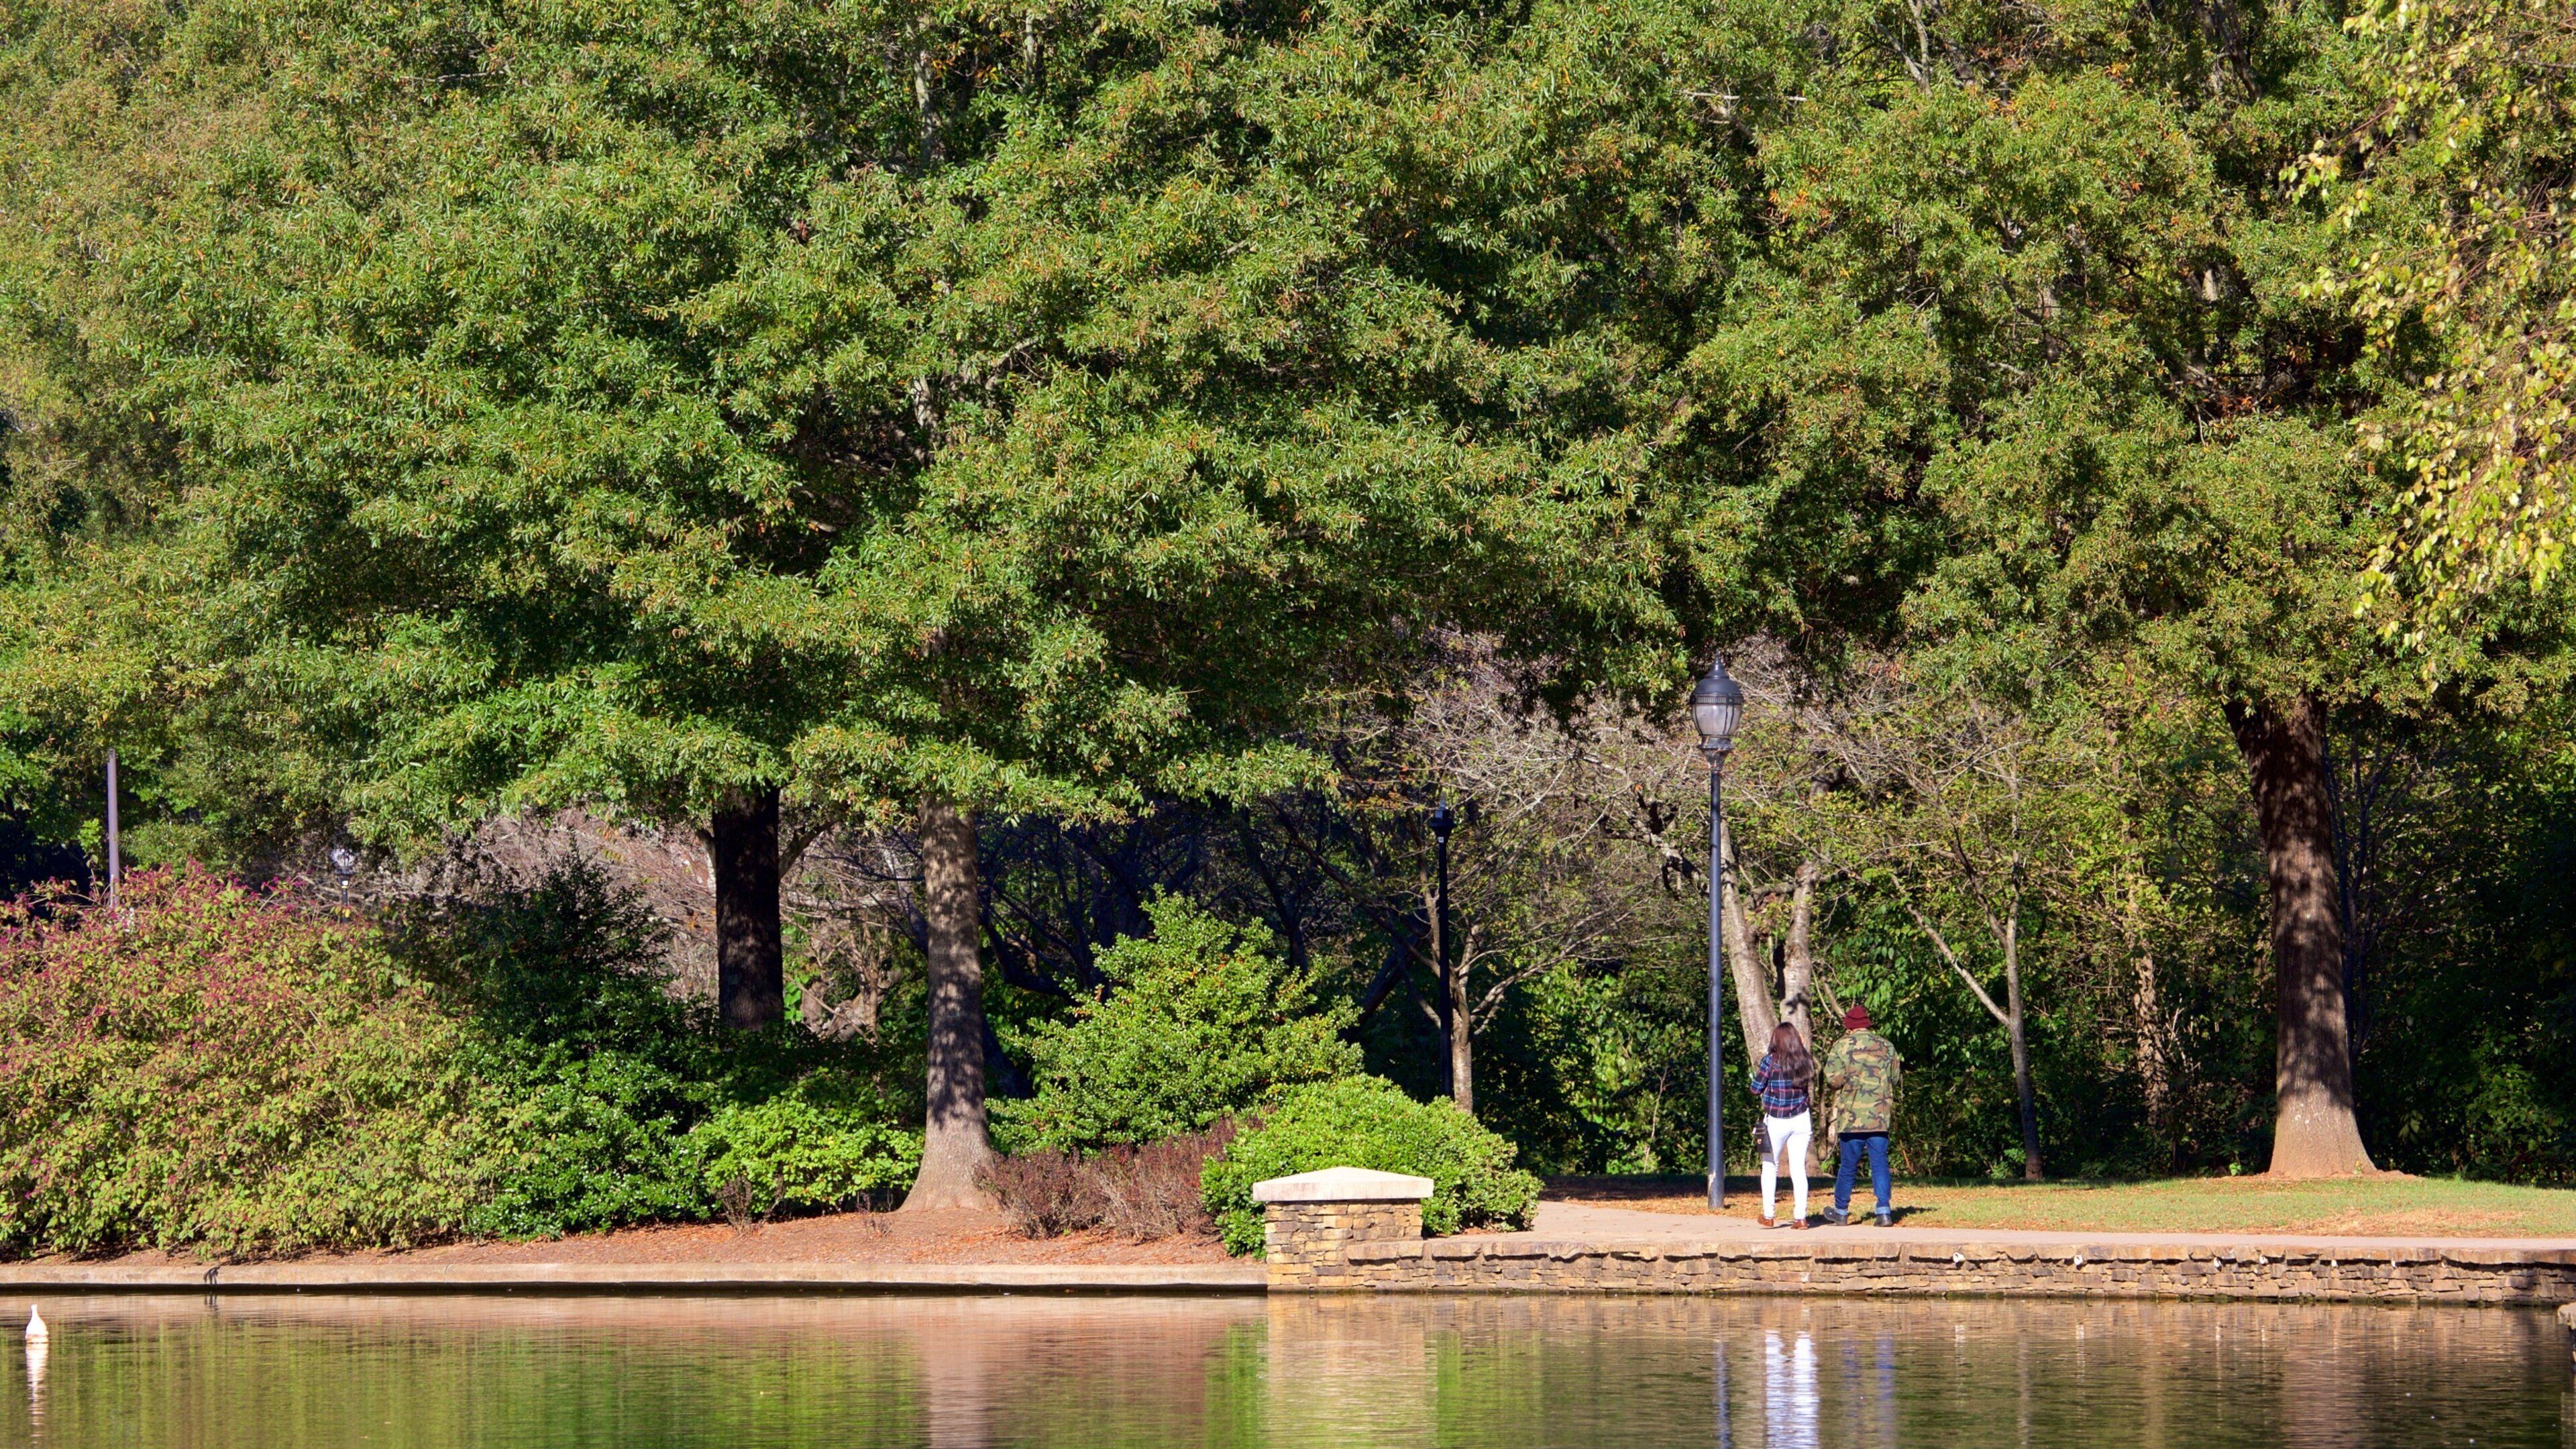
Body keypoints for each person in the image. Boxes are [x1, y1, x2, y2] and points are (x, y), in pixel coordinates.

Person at [1821, 1004, 1901, 1227]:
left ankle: (1841, 1212)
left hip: (1852, 1117)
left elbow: (1833, 1080)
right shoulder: (1887, 1046)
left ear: (1849, 1026)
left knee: (1848, 1166)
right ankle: (1884, 1212)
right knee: (1880, 1164)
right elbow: (1894, 1078)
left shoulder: (1841, 1047)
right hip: (1879, 1117)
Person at [1748, 1021, 1815, 1228]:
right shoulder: (1805, 1060)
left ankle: (1769, 1215)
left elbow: (1756, 1089)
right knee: (1799, 1169)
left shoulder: (1770, 1061)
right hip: (1801, 1119)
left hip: (1777, 1119)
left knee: (1770, 1166)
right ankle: (1801, 1217)